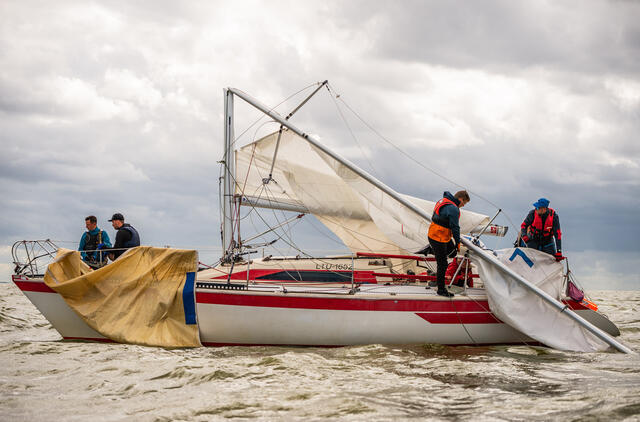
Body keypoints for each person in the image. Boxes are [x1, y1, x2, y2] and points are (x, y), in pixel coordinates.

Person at [426, 190, 470, 297]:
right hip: (438, 237)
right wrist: (458, 242)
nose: (462, 206)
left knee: (453, 253)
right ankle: (441, 290)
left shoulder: (443, 201)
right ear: (460, 199)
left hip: (436, 235)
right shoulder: (453, 208)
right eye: (464, 204)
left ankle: (431, 249)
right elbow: (455, 227)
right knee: (443, 264)